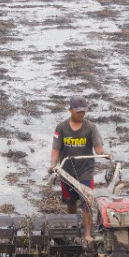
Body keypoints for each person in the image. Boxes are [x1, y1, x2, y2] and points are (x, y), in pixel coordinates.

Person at [49, 94, 105, 245]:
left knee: (86, 203)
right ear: (70, 110)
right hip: (66, 173)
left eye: (84, 111)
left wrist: (103, 154)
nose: (81, 114)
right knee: (71, 202)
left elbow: (98, 147)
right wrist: (53, 165)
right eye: (78, 111)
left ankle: (87, 234)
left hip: (85, 171)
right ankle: (74, 229)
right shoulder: (61, 128)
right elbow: (56, 149)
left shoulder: (90, 127)